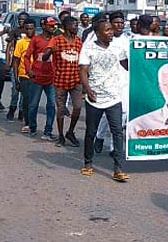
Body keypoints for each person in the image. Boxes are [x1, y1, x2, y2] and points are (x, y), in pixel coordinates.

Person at [78, 19, 129, 182]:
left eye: (111, 30)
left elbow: (125, 64)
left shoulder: (117, 47)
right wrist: (87, 89)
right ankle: (88, 163)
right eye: (107, 30)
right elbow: (83, 71)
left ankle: (118, 168)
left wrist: (144, 65)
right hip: (95, 96)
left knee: (117, 131)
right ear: (98, 33)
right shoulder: (88, 48)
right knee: (91, 131)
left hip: (114, 96)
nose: (111, 32)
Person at [43, 16, 83, 147]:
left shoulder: (79, 42)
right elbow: (44, 57)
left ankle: (70, 131)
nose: (76, 28)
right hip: (60, 80)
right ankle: (60, 135)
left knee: (77, 107)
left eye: (77, 26)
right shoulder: (56, 40)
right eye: (74, 25)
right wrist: (50, 52)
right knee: (60, 109)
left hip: (76, 80)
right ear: (66, 27)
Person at [94, 11, 129, 155]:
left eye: (122, 22)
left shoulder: (128, 40)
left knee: (123, 114)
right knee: (106, 114)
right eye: (116, 22)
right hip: (108, 82)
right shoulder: (104, 40)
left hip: (125, 82)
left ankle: (114, 147)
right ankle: (99, 136)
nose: (120, 25)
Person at [25, 16, 57, 140]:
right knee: (33, 105)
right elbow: (27, 57)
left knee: (51, 105)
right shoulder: (36, 40)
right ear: (43, 26)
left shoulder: (55, 40)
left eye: (54, 25)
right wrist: (29, 71)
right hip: (37, 77)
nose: (52, 27)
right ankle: (32, 127)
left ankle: (48, 131)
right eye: (50, 25)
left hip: (51, 78)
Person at [12, 18, 36, 133]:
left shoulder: (39, 41)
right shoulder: (21, 43)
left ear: (35, 29)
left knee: (34, 101)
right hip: (24, 75)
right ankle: (28, 123)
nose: (29, 31)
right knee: (26, 99)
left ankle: (32, 122)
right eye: (27, 29)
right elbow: (15, 60)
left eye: (31, 28)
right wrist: (16, 79)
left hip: (37, 76)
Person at [6, 12, 30, 121]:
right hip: (15, 64)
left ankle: (21, 111)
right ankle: (12, 108)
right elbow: (9, 46)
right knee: (15, 89)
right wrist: (7, 62)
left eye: (23, 19)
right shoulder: (15, 31)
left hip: (26, 66)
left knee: (25, 91)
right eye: (19, 19)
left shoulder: (31, 32)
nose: (21, 21)